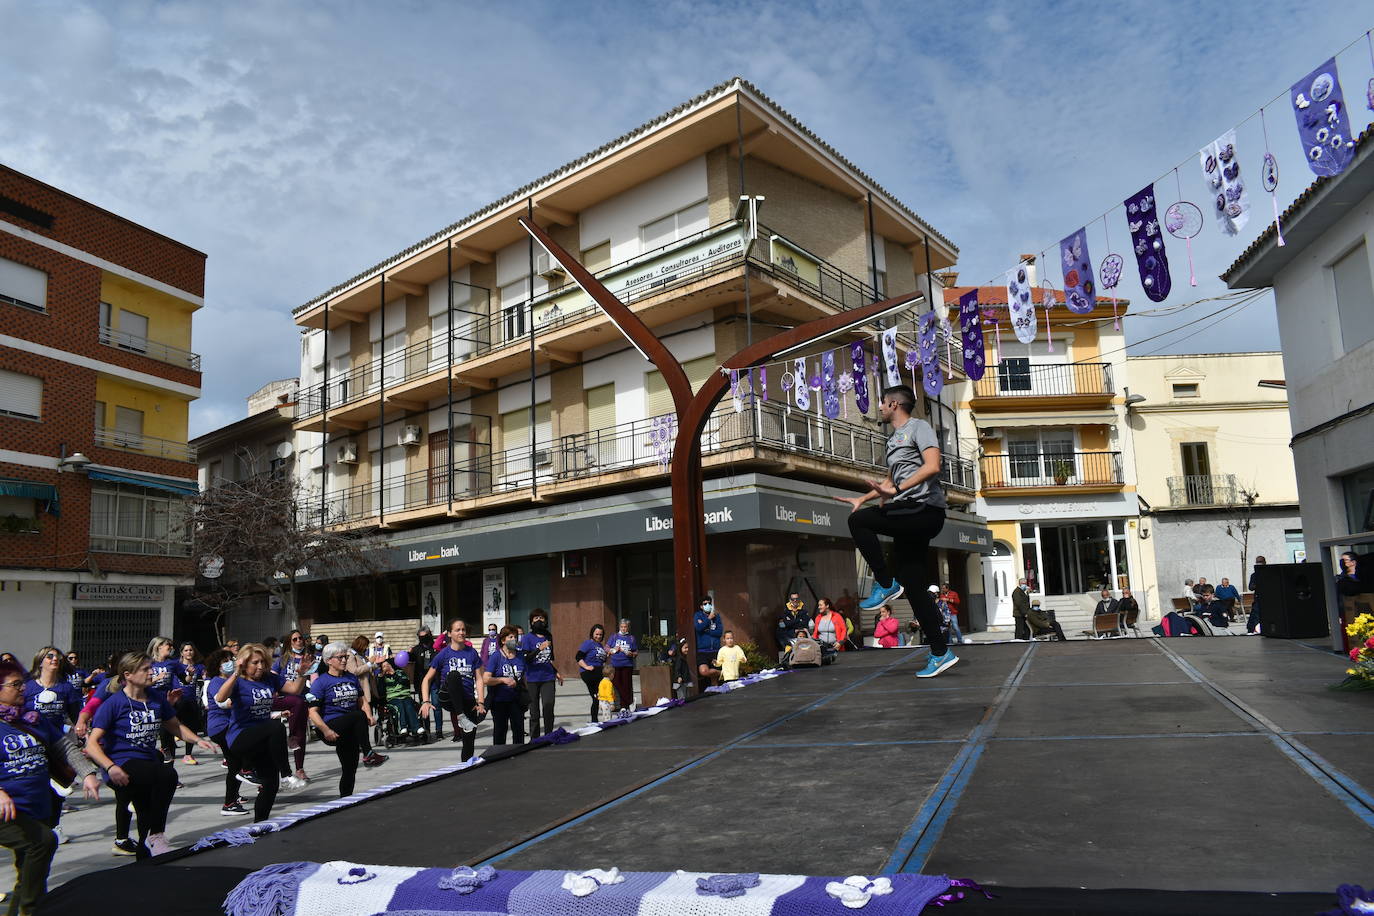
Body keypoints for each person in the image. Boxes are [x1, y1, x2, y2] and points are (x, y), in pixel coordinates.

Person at [839, 384, 956, 678]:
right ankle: (940, 652)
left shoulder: (919, 427)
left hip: (924, 510)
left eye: (882, 402)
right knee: (914, 586)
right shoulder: (892, 441)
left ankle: (884, 582)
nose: (879, 407)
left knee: (859, 522)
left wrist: (897, 490)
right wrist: (864, 498)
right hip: (908, 510)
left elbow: (933, 466)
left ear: (893, 404)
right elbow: (889, 484)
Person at [0, 658, 101, 913]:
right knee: (43, 842)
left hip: (36, 803)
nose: (23, 688)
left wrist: (88, 773)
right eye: (15, 684)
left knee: (30, 869)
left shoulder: (32, 719)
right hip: (7, 810)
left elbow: (64, 747)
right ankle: (32, 909)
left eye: (22, 683)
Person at [88, 652, 213, 856]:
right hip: (122, 763)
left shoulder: (155, 698)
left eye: (150, 668)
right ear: (128, 675)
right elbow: (92, 744)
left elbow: (175, 726)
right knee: (167, 774)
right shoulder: (114, 703)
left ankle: (146, 852)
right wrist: (110, 767)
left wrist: (198, 740)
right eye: (145, 669)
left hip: (147, 761)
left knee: (145, 809)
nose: (151, 673)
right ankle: (156, 835)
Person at [213, 644, 309, 822]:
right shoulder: (238, 681)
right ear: (244, 664)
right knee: (277, 727)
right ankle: (286, 774)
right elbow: (220, 698)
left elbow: (295, 690)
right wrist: (236, 673)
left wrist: (302, 674)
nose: (260, 666)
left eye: (263, 662)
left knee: (271, 784)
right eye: (255, 663)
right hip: (240, 737)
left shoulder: (269, 679)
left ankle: (259, 823)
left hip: (263, 738)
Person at [308, 643, 386, 798]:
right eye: (340, 657)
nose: (344, 660)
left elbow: (362, 700)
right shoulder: (321, 682)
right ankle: (368, 753)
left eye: (346, 657)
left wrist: (369, 715)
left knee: (350, 768)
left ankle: (345, 799)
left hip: (350, 728)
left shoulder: (351, 677)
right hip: (330, 726)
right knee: (358, 715)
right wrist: (326, 730)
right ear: (329, 661)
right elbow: (312, 712)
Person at [21, 647, 81, 844]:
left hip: (57, 744)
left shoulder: (66, 688)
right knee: (36, 787)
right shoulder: (28, 687)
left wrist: (83, 734)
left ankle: (54, 826)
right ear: (40, 662)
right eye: (50, 656)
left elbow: (77, 715)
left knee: (56, 791)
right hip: (32, 744)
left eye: (58, 657)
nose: (55, 659)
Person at [419, 619, 486, 762]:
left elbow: (479, 679)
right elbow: (426, 679)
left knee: (469, 742)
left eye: (463, 630)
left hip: (467, 699)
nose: (461, 632)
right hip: (448, 697)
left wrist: (481, 702)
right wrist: (425, 701)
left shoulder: (472, 653)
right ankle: (461, 716)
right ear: (449, 634)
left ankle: (466, 766)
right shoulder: (443, 654)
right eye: (457, 630)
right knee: (454, 675)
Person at [201, 649, 249, 819]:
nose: (230, 663)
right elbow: (222, 702)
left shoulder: (233, 681)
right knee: (240, 760)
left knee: (235, 764)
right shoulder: (217, 681)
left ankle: (232, 800)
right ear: (218, 665)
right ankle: (230, 801)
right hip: (221, 727)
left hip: (230, 726)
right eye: (225, 661)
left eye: (231, 659)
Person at [520, 610, 562, 739]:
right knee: (534, 712)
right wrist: (539, 648)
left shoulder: (549, 636)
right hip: (532, 678)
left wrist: (556, 672)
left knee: (548, 707)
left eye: (542, 618)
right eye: (536, 618)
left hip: (548, 677)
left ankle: (549, 736)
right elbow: (526, 658)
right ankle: (535, 739)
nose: (539, 620)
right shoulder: (527, 638)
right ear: (532, 621)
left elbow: (550, 658)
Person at [483, 626, 526, 745]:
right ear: (503, 640)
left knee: (519, 731)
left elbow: (524, 676)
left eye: (515, 637)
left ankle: (518, 752)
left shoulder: (520, 656)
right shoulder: (496, 656)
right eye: (510, 637)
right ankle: (499, 753)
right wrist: (502, 680)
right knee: (500, 732)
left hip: (516, 700)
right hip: (499, 701)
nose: (514, 639)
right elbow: (486, 679)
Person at [378, 657, 423, 743]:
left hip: (405, 696)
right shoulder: (383, 677)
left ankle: (416, 728)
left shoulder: (400, 673)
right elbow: (380, 690)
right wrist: (382, 676)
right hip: (393, 698)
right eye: (384, 666)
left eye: (387, 665)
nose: (386, 667)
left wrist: (394, 673)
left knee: (409, 706)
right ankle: (402, 727)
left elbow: (405, 682)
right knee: (400, 707)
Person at [175, 642, 206, 764]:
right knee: (172, 725)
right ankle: (167, 749)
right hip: (177, 700)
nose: (189, 652)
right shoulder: (176, 666)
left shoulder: (199, 667)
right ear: (181, 653)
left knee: (192, 727)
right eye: (186, 650)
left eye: (191, 650)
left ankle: (188, 755)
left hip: (191, 700)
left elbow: (206, 677)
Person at [409, 627, 442, 740]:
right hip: (421, 681)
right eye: (421, 637)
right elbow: (409, 660)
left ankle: (439, 730)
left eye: (425, 636)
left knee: (436, 705)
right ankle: (426, 730)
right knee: (424, 705)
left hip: (435, 680)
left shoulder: (436, 647)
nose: (423, 638)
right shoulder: (416, 649)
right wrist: (408, 653)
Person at [575, 624, 609, 722]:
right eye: (596, 634)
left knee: (600, 697)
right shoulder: (588, 643)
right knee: (596, 697)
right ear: (592, 633)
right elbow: (578, 657)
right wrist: (586, 667)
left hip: (599, 672)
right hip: (590, 673)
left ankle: (599, 719)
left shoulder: (600, 646)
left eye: (600, 635)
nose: (598, 636)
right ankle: (594, 720)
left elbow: (602, 660)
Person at [607, 618, 638, 710]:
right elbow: (606, 647)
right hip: (615, 664)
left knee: (626, 685)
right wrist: (612, 650)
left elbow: (636, 652)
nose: (623, 629)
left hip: (627, 665)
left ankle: (624, 706)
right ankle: (629, 701)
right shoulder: (614, 636)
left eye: (625, 627)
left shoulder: (631, 638)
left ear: (628, 628)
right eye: (622, 627)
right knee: (616, 683)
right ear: (619, 627)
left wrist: (631, 654)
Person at [810, 597, 847, 662]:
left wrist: (840, 642)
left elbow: (844, 630)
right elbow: (815, 633)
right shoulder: (818, 618)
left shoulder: (837, 616)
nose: (819, 607)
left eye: (820, 605)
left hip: (835, 647)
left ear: (827, 606)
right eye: (818, 605)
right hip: (821, 648)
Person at [1247, 556, 1267, 633]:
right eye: (1257, 562)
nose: (1259, 564)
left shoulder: (1269, 574)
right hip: (1258, 599)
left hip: (1268, 599)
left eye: (1260, 562)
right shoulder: (1254, 575)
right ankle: (1253, 629)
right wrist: (1256, 584)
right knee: (1255, 615)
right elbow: (1250, 587)